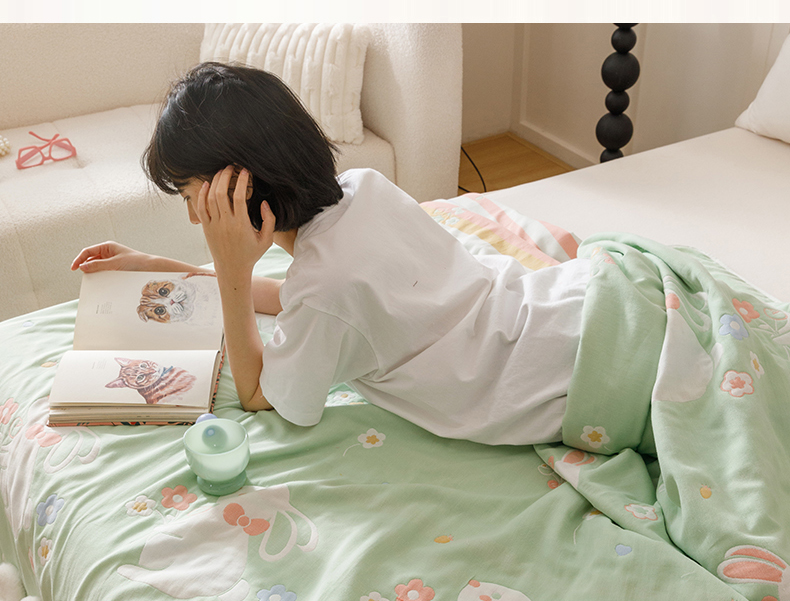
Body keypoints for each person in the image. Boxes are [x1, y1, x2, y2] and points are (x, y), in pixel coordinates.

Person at [71, 62, 590, 446]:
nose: (193, 218)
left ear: (238, 187)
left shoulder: (327, 286)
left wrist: (231, 269)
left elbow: (260, 395)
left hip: (569, 364)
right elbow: (294, 296)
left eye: (192, 198)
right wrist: (158, 267)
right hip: (562, 305)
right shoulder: (366, 188)